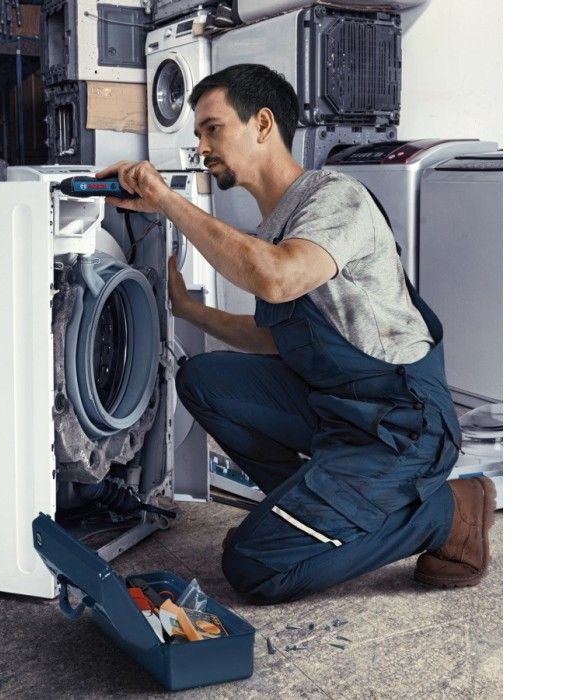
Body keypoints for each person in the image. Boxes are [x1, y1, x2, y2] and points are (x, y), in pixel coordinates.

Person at [96, 63, 496, 604]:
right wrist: (189, 310)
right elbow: (277, 339)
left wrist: (167, 200)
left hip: (401, 427)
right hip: (338, 410)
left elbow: (277, 277)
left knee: (254, 568)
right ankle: (296, 516)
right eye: (198, 134)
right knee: (203, 380)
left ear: (263, 124)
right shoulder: (276, 226)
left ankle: (448, 512)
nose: (201, 147)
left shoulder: (334, 198)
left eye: (212, 129)